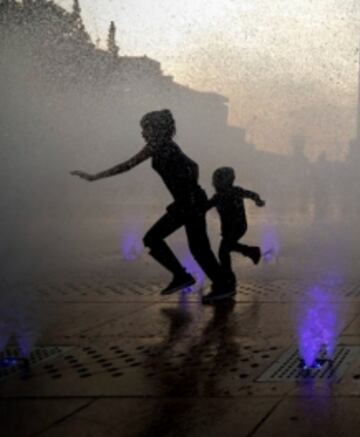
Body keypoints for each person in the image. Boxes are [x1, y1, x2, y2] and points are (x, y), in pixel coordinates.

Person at [71, 109, 234, 303]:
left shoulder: (158, 145)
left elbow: (128, 165)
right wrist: (190, 189)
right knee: (197, 247)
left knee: (155, 238)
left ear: (155, 129)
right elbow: (194, 166)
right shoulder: (168, 145)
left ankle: (190, 278)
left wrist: (95, 177)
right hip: (190, 201)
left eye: (145, 128)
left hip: (188, 202)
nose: (142, 133)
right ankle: (220, 284)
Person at [207, 167, 266, 280]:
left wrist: (258, 200)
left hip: (236, 227)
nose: (214, 184)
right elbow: (252, 194)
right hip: (235, 227)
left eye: (216, 181)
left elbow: (205, 207)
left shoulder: (227, 194)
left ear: (225, 181)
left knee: (223, 251)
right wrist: (258, 200)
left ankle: (229, 275)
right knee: (225, 250)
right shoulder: (229, 193)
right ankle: (249, 253)